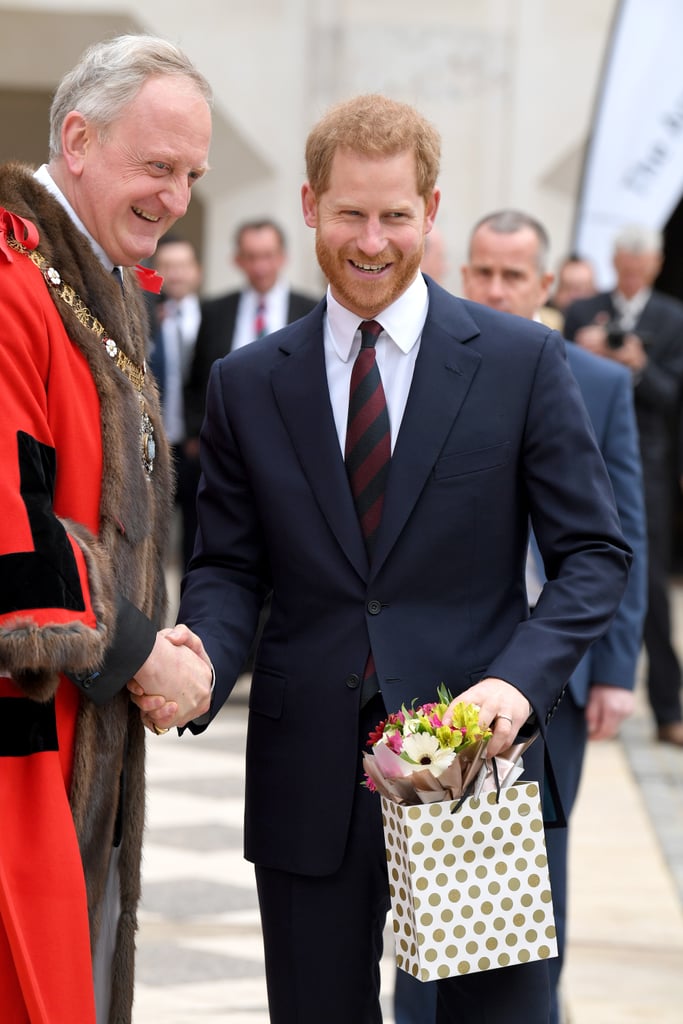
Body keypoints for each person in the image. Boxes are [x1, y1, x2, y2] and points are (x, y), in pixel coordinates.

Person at [161, 95, 631, 1024]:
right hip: (305, 778)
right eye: (349, 214)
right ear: (308, 205)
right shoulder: (247, 383)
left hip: (474, 772)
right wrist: (202, 660)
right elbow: (226, 568)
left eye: (394, 216)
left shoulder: (520, 361)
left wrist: (517, 683)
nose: (370, 241)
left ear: (430, 211)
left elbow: (592, 554)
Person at [0, 34, 214, 1024]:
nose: (174, 197)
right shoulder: (12, 276)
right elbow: (12, 519)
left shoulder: (97, 281)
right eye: (156, 166)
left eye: (191, 175)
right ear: (77, 139)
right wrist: (140, 652)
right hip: (22, 752)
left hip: (84, 733)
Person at [460, 209, 647, 1024]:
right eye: (482, 272)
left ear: (545, 287)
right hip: (445, 662)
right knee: (436, 876)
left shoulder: (597, 382)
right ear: (463, 274)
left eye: (514, 276)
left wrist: (613, 668)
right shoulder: (432, 370)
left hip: (553, 673)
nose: (496, 289)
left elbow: (621, 533)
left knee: (535, 874)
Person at [564, 224, 683, 747]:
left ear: (655, 267)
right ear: (614, 263)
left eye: (641, 267)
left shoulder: (672, 318)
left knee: (649, 582)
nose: (632, 274)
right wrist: (587, 350)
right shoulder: (583, 310)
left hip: (646, 467)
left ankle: (667, 705)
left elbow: (673, 395)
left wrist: (636, 365)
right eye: (624, 265)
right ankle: (576, 687)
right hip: (584, 458)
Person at [184, 218, 318, 442]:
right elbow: (197, 377)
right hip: (225, 438)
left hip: (291, 438)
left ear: (283, 257)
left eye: (267, 256)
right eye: (251, 257)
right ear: (237, 260)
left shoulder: (311, 311)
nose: (259, 267)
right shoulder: (214, 311)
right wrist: (195, 433)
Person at [148, 235, 203, 570]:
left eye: (183, 267)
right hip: (155, 447)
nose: (177, 275)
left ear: (196, 271)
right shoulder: (144, 316)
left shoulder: (212, 318)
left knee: (197, 545)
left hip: (198, 447)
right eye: (169, 267)